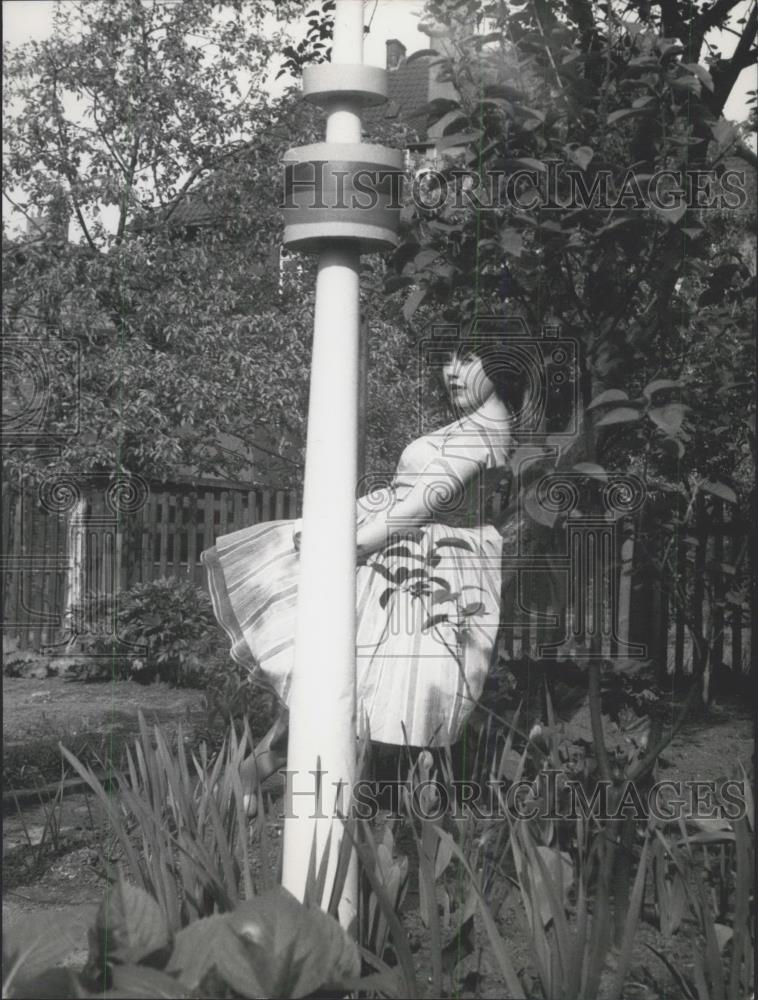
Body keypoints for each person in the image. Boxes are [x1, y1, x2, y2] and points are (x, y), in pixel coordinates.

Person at [201, 332, 528, 813]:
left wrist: (342, 546)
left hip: (418, 569)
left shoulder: (483, 435)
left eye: (468, 357)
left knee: (364, 690)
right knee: (343, 682)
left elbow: (418, 507)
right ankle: (267, 783)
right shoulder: (473, 425)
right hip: (398, 560)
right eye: (447, 359)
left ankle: (341, 812)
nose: (453, 371)